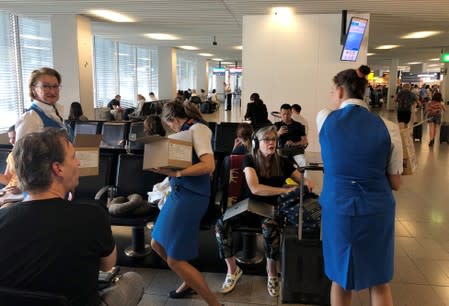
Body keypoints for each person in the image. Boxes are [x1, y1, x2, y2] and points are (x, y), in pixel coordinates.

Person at [0, 128, 144, 306]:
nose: (78, 163)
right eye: (73, 157)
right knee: (133, 280)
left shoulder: (3, 218)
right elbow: (107, 265)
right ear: (58, 168)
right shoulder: (92, 216)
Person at [316, 65, 403, 306]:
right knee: (379, 281)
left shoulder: (324, 119)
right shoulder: (389, 128)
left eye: (333, 92)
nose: (332, 97)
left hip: (338, 208)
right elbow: (396, 183)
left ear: (341, 91)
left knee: (340, 279)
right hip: (376, 210)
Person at [215, 125, 314, 297]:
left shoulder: (282, 162)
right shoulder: (249, 160)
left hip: (270, 210)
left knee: (270, 227)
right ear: (256, 143)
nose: (271, 143)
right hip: (248, 206)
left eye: (274, 139)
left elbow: (304, 181)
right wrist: (285, 190)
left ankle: (271, 273)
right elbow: (255, 188)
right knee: (221, 224)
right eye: (266, 139)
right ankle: (232, 270)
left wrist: (307, 183)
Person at [149, 101, 221, 306]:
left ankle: (214, 303)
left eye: (169, 124)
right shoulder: (186, 131)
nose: (170, 128)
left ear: (172, 120)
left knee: (174, 259)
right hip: (179, 193)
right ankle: (188, 279)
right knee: (156, 243)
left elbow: (208, 165)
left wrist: (176, 172)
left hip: (191, 196)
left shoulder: (198, 129)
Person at [15, 67, 73, 141]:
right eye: (45, 86)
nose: (52, 91)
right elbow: (22, 152)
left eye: (55, 86)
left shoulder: (57, 110)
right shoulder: (30, 119)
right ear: (34, 90)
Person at [0, 125, 22, 207]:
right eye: (10, 138)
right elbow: (7, 179)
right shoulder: (11, 155)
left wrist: (22, 189)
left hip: (21, 194)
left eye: (14, 138)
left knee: (3, 209)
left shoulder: (31, 155)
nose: (11, 141)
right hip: (8, 192)